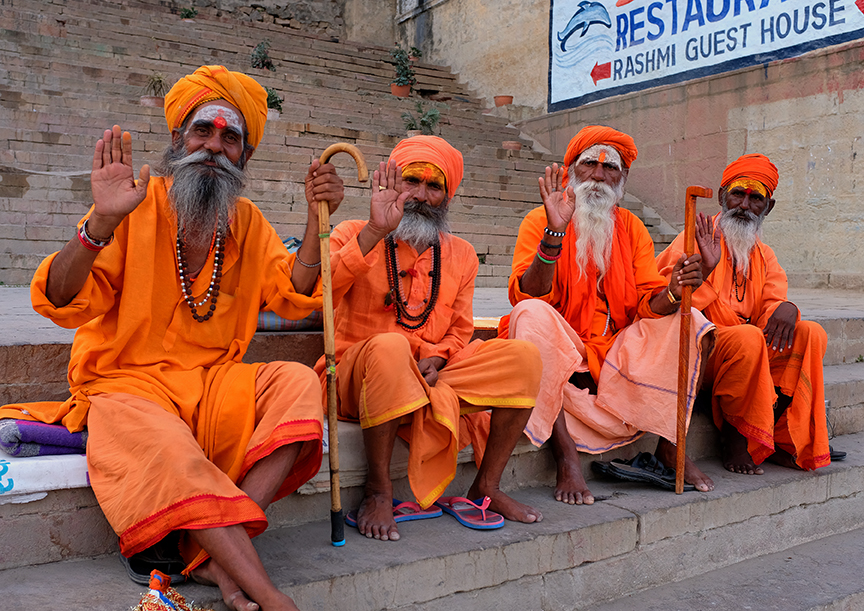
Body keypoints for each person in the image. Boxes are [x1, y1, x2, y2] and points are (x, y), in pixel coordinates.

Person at [0, 65, 345, 611]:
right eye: (202, 131)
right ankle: (266, 594)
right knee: (174, 453)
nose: (213, 145)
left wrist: (314, 215)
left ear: (244, 158)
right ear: (178, 140)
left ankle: (211, 557)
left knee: (298, 383)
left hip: (211, 386)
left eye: (230, 137)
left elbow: (295, 291)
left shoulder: (249, 223)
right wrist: (100, 225)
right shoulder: (134, 208)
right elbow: (60, 299)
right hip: (125, 387)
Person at [318, 135, 544, 541]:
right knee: (390, 347)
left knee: (523, 358)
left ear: (447, 196)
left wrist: (438, 361)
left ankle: (487, 486)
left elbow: (460, 329)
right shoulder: (352, 232)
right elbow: (317, 293)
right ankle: (378, 490)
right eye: (411, 181)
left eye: (433, 186)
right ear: (392, 184)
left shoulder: (463, 255)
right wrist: (373, 230)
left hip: (432, 374)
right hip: (358, 377)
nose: (420, 195)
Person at [499, 125, 717, 506]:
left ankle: (670, 445)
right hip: (560, 345)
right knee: (530, 314)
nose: (598, 175)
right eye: (589, 164)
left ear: (623, 178)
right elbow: (527, 294)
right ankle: (566, 456)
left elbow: (648, 304)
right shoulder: (541, 220)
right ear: (572, 170)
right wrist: (555, 232)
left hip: (615, 349)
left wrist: (676, 290)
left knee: (692, 321)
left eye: (610, 168)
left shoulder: (632, 228)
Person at [656, 153, 831, 474]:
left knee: (811, 333)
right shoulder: (694, 237)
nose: (745, 205)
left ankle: (779, 437)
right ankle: (736, 439)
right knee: (748, 337)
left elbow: (771, 308)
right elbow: (666, 303)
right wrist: (706, 270)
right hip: (698, 352)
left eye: (755, 198)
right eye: (738, 194)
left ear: (768, 207)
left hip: (745, 354)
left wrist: (788, 308)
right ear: (723, 196)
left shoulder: (764, 254)